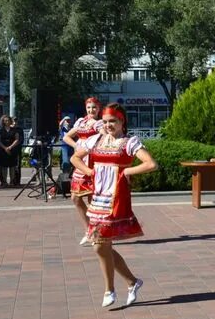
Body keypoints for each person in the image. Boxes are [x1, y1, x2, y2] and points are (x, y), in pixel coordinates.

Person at [71, 102, 158, 307]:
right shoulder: (95, 140)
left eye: (113, 121)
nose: (109, 125)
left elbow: (151, 164)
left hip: (116, 199)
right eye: (106, 121)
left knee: (99, 246)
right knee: (102, 246)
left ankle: (109, 289)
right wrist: (89, 171)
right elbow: (76, 158)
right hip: (97, 199)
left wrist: (127, 171)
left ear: (122, 122)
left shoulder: (129, 142)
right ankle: (132, 282)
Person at [64, 98, 105, 244]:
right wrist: (76, 146)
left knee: (91, 200)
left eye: (94, 107)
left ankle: (96, 232)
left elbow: (105, 136)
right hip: (79, 161)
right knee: (75, 197)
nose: (91, 110)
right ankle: (89, 229)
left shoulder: (99, 123)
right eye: (89, 107)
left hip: (92, 161)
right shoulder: (81, 121)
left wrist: (94, 140)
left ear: (99, 109)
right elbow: (66, 136)